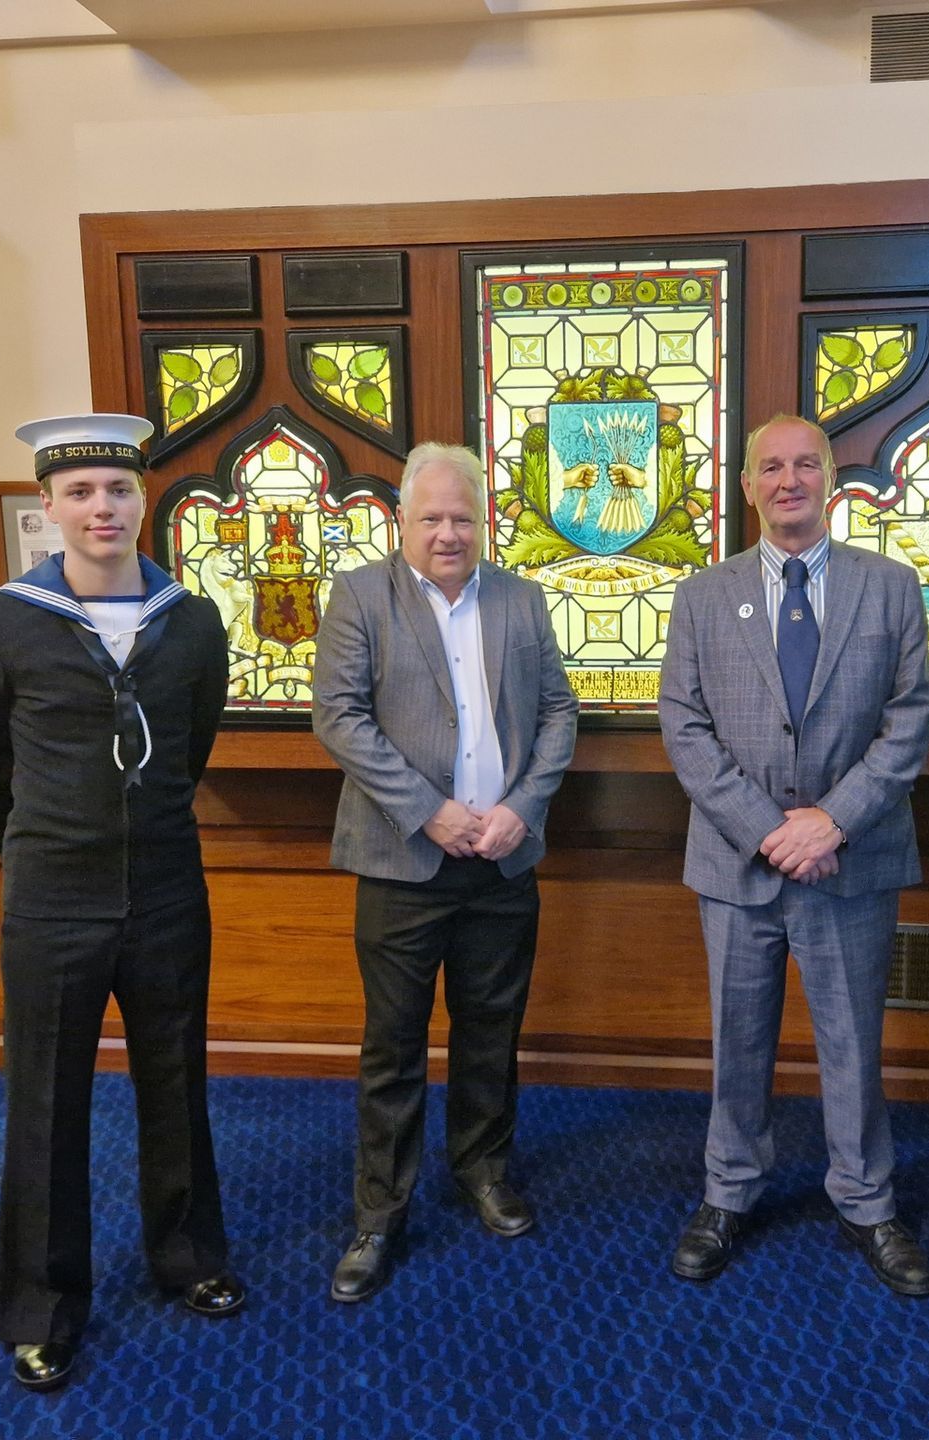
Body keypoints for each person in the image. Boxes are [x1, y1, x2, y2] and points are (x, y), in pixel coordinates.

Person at [0, 414, 241, 1393]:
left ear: (141, 498)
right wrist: (36, 842)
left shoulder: (191, 620)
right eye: (79, 492)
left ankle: (188, 1258)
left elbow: (191, 745)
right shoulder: (0, 620)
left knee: (176, 1083)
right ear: (49, 506)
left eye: (117, 488)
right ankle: (42, 1308)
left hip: (166, 890)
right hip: (52, 902)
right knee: (45, 1105)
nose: (101, 507)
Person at [657, 414, 929, 1296]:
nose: (789, 481)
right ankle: (729, 1191)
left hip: (852, 860)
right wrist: (769, 830)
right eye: (771, 467)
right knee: (737, 1040)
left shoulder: (890, 587)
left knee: (853, 1042)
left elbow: (909, 722)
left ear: (830, 479)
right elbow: (685, 727)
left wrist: (831, 822)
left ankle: (866, 1200)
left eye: (806, 465)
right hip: (737, 864)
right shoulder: (702, 595)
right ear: (747, 486)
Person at [312, 441, 577, 1303]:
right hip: (402, 861)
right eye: (431, 518)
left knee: (491, 1031)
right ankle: (379, 1211)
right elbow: (339, 717)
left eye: (462, 517)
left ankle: (483, 1172)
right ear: (402, 521)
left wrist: (521, 808)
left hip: (501, 858)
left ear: (482, 521)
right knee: (393, 1045)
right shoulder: (361, 595)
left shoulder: (520, 598)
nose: (448, 533)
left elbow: (558, 712)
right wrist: (428, 809)